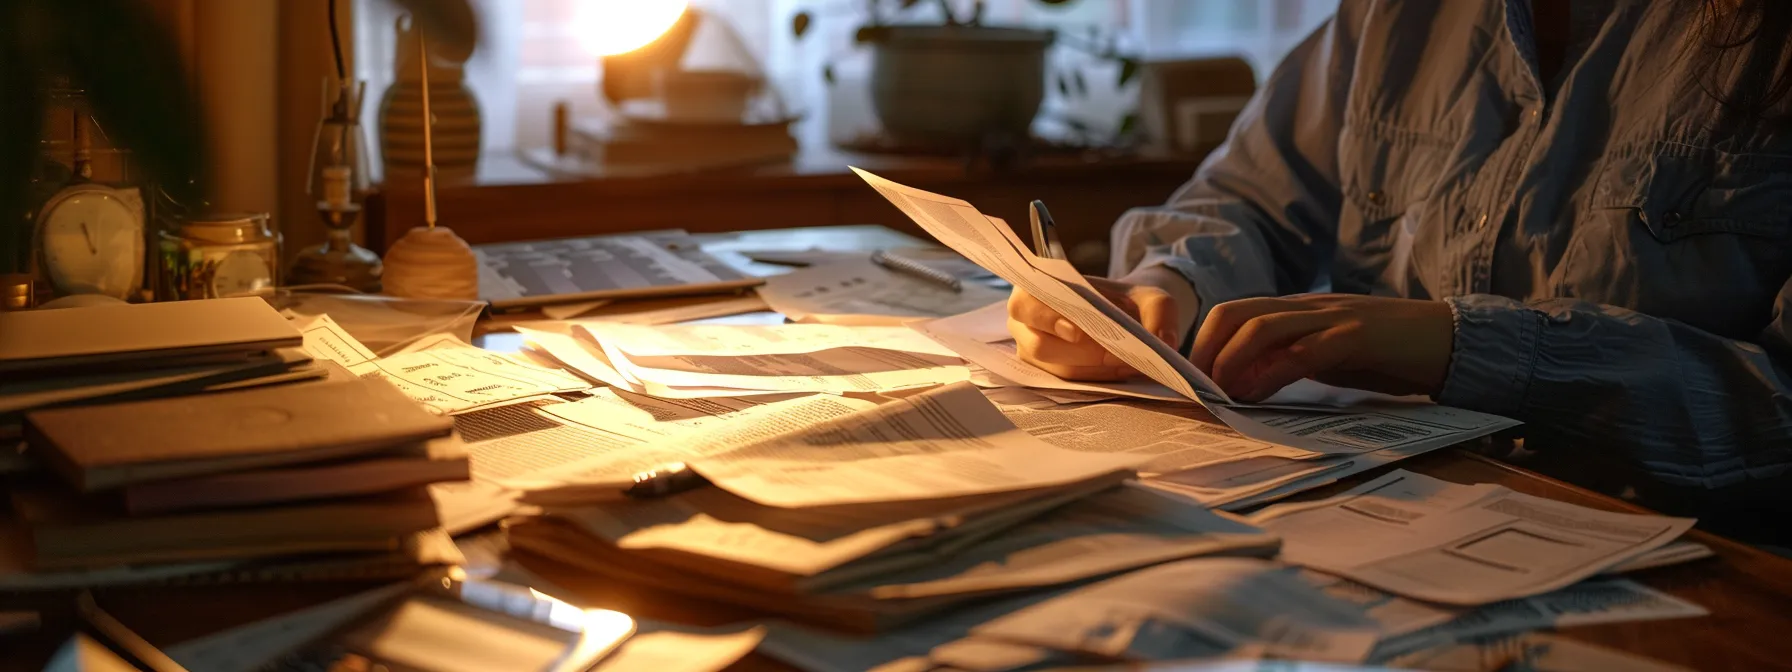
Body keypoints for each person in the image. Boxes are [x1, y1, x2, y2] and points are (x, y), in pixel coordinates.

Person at [1007, 0, 1792, 541]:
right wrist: (1169, 287)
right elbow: (1252, 196)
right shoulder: (1397, 16)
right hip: (1382, 522)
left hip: (1700, 567)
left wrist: (1465, 345)